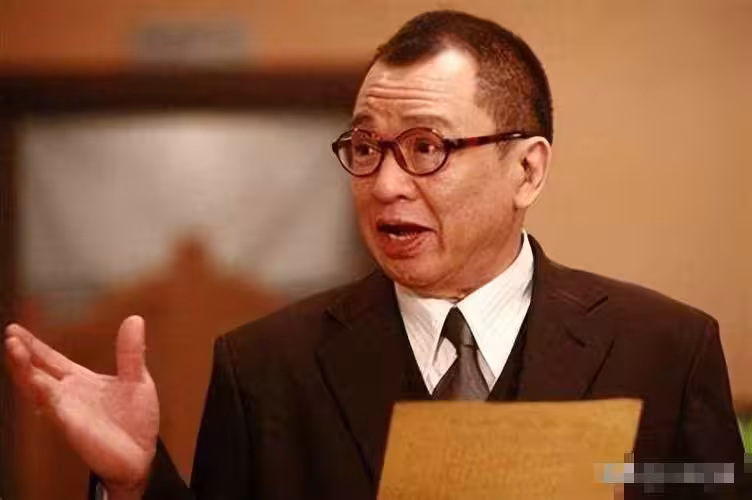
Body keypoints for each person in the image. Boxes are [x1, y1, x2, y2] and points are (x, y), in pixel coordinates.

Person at [4, 10, 747, 500]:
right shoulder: (264, 369)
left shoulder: (666, 352)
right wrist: (137, 484)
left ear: (527, 169)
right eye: (366, 147)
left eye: (426, 147)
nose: (385, 184)